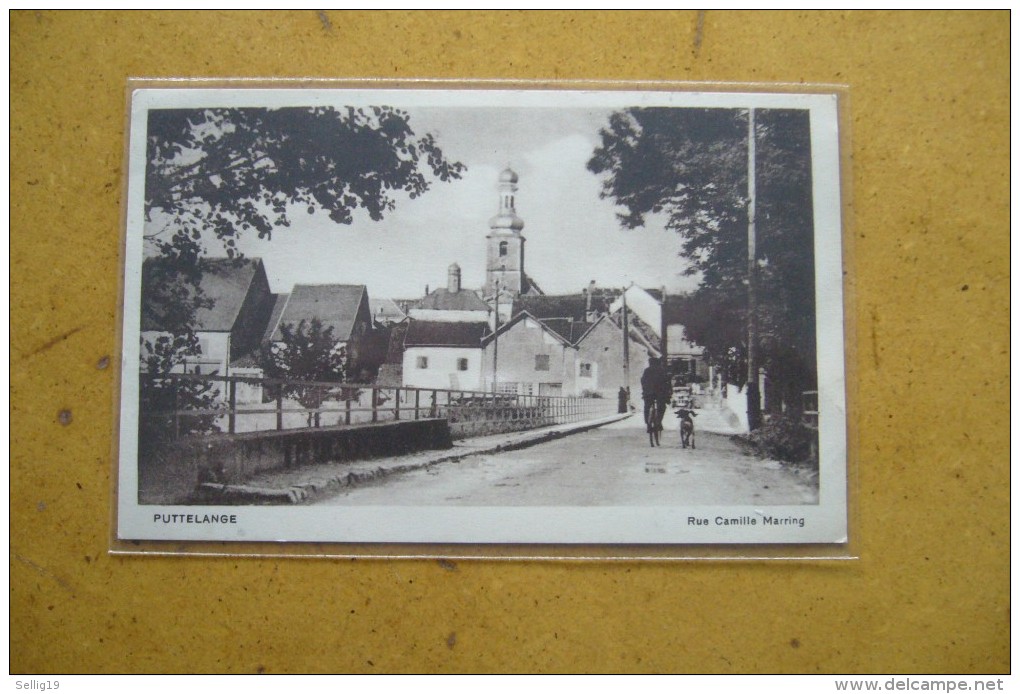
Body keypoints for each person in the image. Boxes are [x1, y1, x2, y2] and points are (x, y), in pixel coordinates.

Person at [640, 357, 672, 433]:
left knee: (647, 406)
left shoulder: (647, 371)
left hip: (648, 393)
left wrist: (644, 390)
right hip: (660, 393)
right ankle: (659, 422)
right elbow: (667, 383)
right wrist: (669, 394)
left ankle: (648, 423)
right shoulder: (662, 370)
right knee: (662, 406)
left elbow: (643, 381)